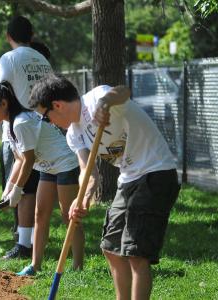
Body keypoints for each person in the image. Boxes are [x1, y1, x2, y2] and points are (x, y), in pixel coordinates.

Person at [29, 74, 179, 300]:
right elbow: (88, 174)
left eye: (45, 117)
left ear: (57, 105)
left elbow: (123, 91)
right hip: (128, 179)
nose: (48, 122)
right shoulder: (74, 134)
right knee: (111, 249)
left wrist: (106, 104)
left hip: (155, 172)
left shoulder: (98, 98)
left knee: (136, 254)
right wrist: (83, 199)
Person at [0, 81, 83, 277]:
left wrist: (18, 190)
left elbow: (29, 159)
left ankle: (78, 265)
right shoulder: (9, 123)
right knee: (40, 214)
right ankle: (35, 266)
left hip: (64, 162)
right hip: (46, 166)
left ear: (4, 104)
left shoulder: (22, 122)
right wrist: (9, 188)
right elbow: (19, 159)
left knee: (68, 215)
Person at [0, 15, 53, 260]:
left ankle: (23, 244)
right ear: (32, 35)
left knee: (23, 190)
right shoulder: (41, 59)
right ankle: (26, 240)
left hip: (19, 128)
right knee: (29, 188)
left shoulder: (9, 58)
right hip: (42, 126)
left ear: (8, 37)